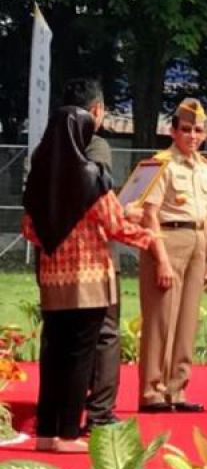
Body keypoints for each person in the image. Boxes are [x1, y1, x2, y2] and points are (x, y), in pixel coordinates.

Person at [23, 103, 172, 451]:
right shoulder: (91, 176)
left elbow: (29, 230)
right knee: (80, 357)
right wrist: (151, 238)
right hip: (88, 282)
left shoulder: (39, 180)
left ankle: (46, 432)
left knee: (55, 356)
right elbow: (116, 226)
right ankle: (69, 435)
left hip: (52, 280)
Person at [138, 99, 207, 413]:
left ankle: (177, 389)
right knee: (161, 319)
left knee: (186, 321)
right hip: (168, 237)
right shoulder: (160, 164)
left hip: (197, 239)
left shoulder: (205, 167)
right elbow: (149, 214)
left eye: (198, 130)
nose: (192, 135)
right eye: (185, 129)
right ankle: (152, 391)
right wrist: (161, 259)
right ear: (172, 130)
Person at [52, 79, 123, 432]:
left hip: (52, 261)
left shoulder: (46, 149)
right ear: (96, 111)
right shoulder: (96, 146)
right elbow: (105, 207)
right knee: (104, 333)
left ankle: (60, 419)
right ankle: (100, 413)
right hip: (93, 259)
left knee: (60, 340)